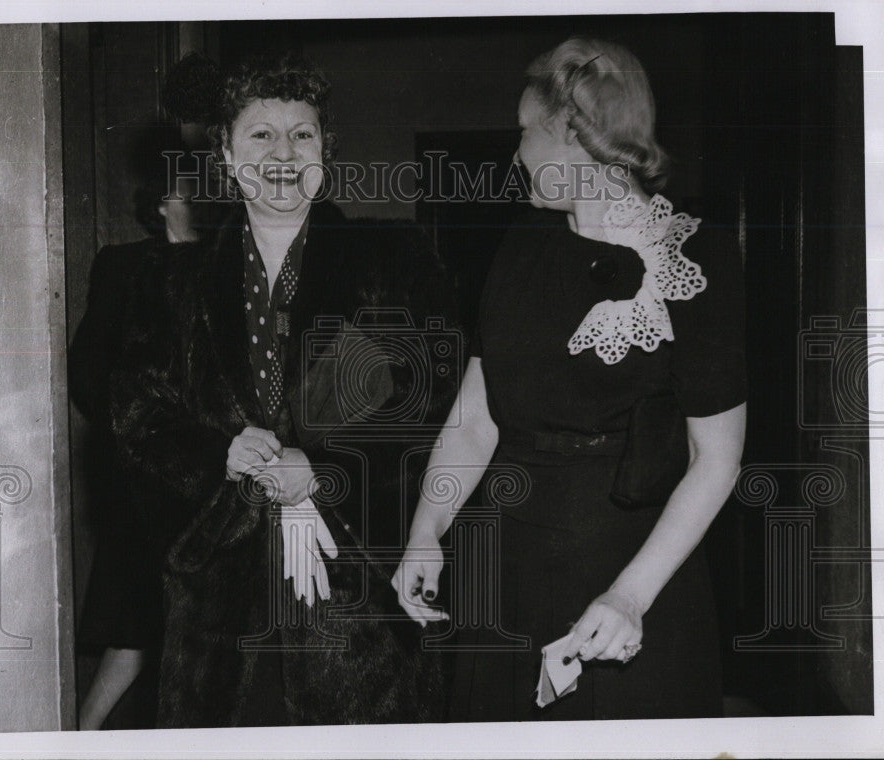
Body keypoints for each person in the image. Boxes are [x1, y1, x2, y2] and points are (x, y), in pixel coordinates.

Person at [393, 36, 747, 721]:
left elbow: (717, 458)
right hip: (513, 564)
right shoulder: (522, 245)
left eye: (527, 132)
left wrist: (629, 597)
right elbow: (476, 418)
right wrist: (425, 528)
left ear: (575, 133)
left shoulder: (697, 257)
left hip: (640, 569)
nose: (516, 151)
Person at [108, 52, 458, 727]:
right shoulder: (169, 283)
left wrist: (322, 473)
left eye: (303, 134)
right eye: (261, 135)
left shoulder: (393, 261)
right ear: (228, 158)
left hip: (357, 584)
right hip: (220, 593)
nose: (284, 153)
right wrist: (221, 455)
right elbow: (137, 414)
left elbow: (428, 403)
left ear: (327, 152)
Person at [71, 139, 219, 730]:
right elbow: (89, 374)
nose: (202, 204)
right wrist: (142, 430)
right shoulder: (122, 267)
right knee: (137, 624)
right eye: (188, 193)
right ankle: (79, 737)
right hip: (149, 477)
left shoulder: (235, 267)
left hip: (219, 474)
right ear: (160, 203)